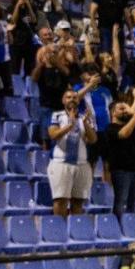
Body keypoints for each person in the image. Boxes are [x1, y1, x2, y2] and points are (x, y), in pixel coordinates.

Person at [102, 86, 135, 218]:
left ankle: (130, 229)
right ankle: (117, 229)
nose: (125, 111)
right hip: (120, 170)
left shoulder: (133, 125)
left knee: (133, 204)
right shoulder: (110, 128)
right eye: (121, 108)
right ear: (113, 112)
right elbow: (123, 134)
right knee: (120, 203)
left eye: (126, 108)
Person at [47, 88, 98, 217]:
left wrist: (85, 124)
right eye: (68, 97)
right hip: (61, 163)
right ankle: (59, 232)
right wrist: (70, 125)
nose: (72, 100)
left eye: (75, 97)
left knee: (78, 201)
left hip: (81, 163)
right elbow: (53, 135)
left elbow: (93, 139)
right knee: (61, 200)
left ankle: (75, 233)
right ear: (63, 100)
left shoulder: (84, 117)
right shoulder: (56, 115)